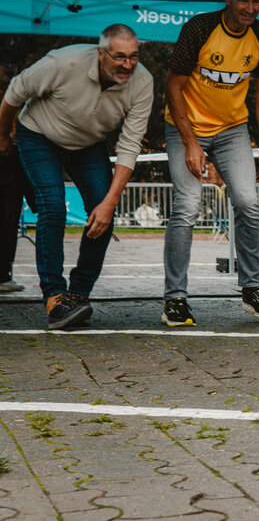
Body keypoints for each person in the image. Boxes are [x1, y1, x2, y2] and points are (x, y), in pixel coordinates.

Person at [0, 26, 153, 329]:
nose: (128, 65)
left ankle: (78, 295)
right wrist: (2, 134)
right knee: (53, 207)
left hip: (88, 144)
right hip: (39, 134)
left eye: (134, 56)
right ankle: (55, 296)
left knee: (103, 211)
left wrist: (110, 202)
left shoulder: (143, 82)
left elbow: (130, 144)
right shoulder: (63, 62)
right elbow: (15, 91)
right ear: (101, 53)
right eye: (119, 57)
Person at [162, 0, 259, 327]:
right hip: (184, 125)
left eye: (256, 1)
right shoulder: (200, 29)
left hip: (231, 129)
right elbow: (173, 86)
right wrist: (190, 142)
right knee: (187, 205)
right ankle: (175, 299)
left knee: (248, 201)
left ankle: (252, 288)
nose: (250, 8)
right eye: (243, 0)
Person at [0, 63, 28, 294]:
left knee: (9, 220)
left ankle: (3, 274)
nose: (11, 76)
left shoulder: (19, 96)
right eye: (7, 71)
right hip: (7, 163)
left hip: (12, 165)